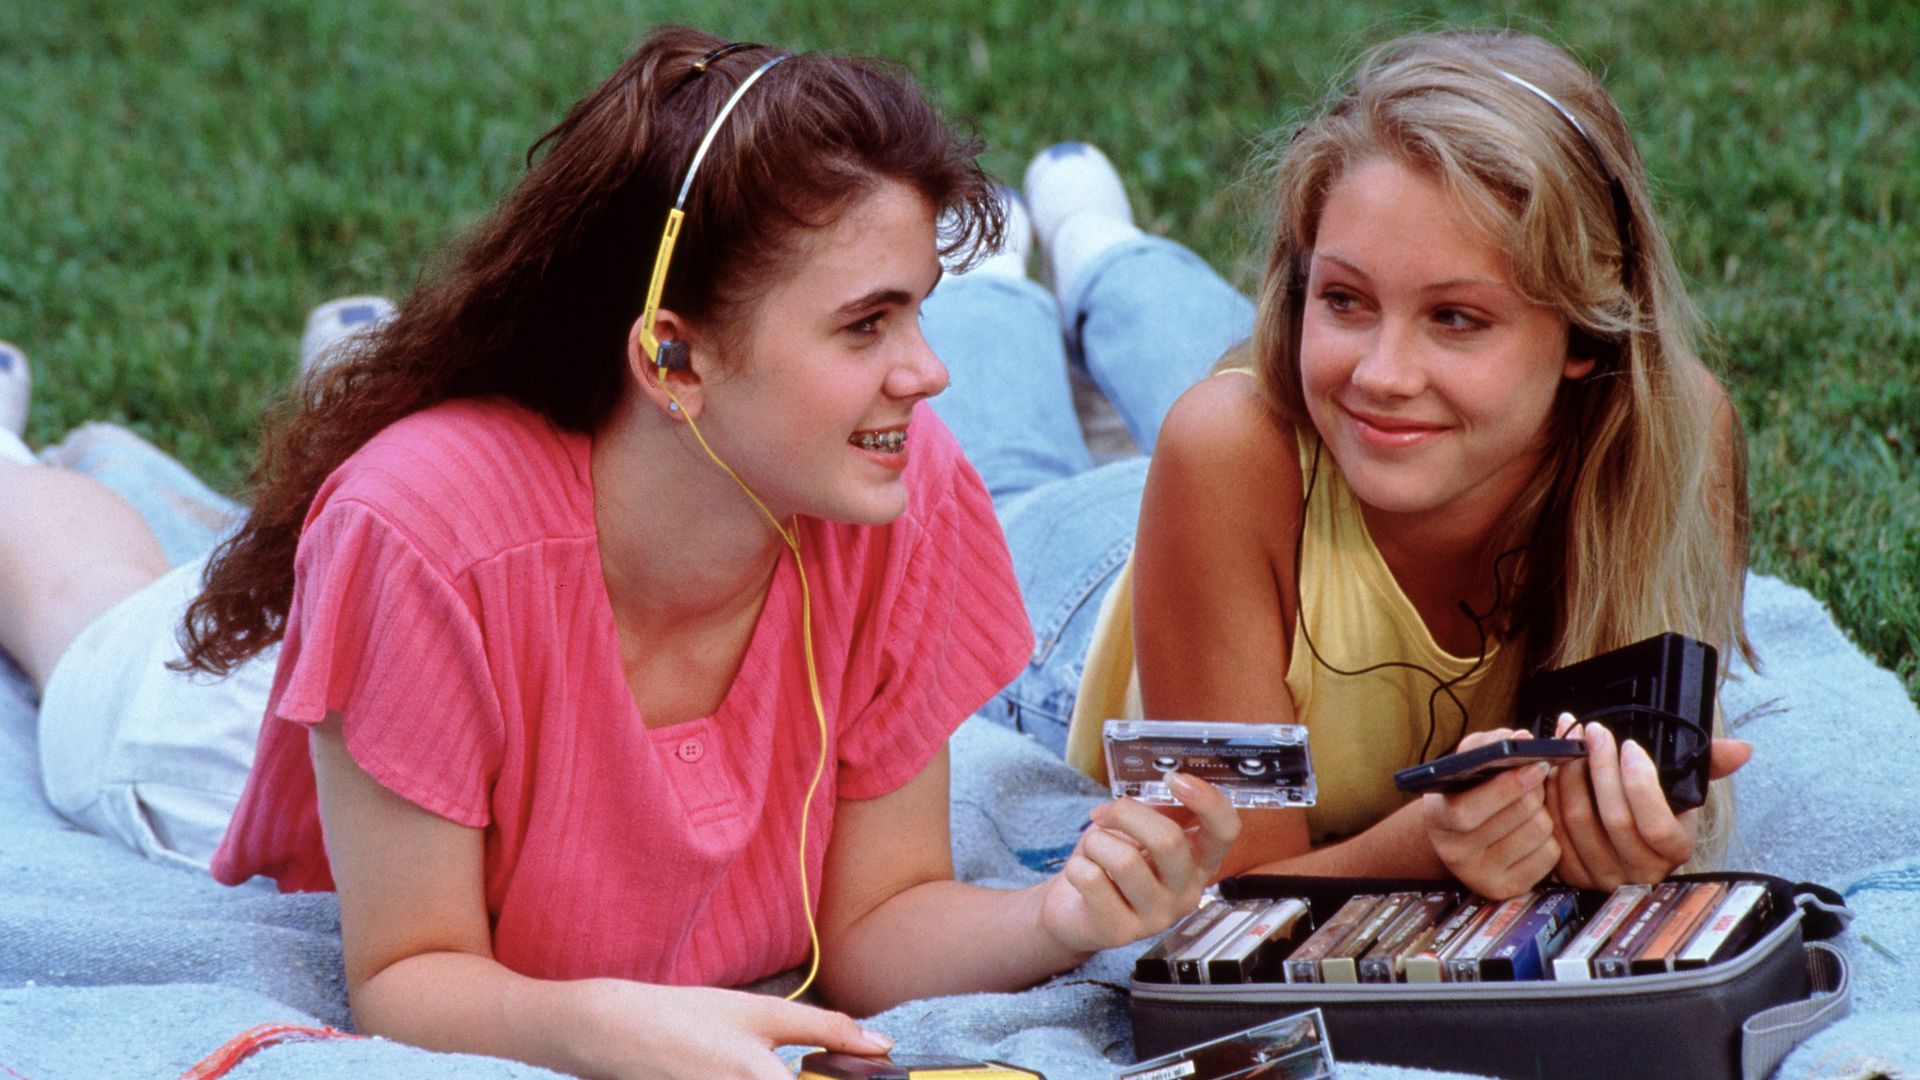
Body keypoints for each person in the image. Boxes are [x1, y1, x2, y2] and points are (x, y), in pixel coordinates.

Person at [0, 27, 1241, 1079]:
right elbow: (407, 974)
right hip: (213, 737)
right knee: (92, 608)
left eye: (917, 309)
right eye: (867, 325)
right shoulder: (416, 535)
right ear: (670, 356)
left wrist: (1058, 915)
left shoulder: (898, 498)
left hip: (409, 619)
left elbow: (873, 926)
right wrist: (609, 1028)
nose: (927, 372)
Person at [923, 28, 1753, 904]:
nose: (1384, 374)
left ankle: (1101, 246)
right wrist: (1426, 847)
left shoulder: (1673, 440)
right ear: (1301, 284)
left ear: (1586, 335)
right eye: (1345, 297)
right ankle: (1000, 268)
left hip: (1290, 491)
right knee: (1012, 476)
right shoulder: (1227, 449)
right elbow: (1226, 889)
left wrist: (1629, 827)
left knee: (1249, 384)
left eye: (1456, 318)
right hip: (1091, 608)